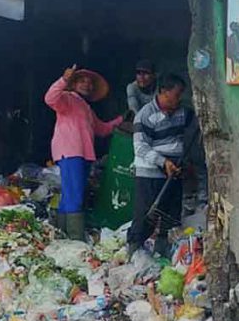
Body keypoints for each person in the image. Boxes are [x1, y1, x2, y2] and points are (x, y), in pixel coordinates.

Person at [44, 64, 123, 240]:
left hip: (82, 155)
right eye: (82, 81)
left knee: (69, 195)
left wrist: (120, 120)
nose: (87, 85)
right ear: (73, 84)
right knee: (75, 196)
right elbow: (49, 98)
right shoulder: (67, 98)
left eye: (89, 83)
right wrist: (63, 79)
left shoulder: (86, 108)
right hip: (71, 152)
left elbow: (101, 129)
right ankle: (75, 239)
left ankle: (62, 235)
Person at [127, 73, 194, 258]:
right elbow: (140, 147)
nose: (179, 99)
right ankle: (133, 255)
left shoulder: (183, 112)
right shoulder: (145, 115)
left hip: (174, 172)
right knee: (145, 216)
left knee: (170, 217)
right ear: (164, 92)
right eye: (176, 94)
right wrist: (163, 162)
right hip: (150, 173)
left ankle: (162, 255)